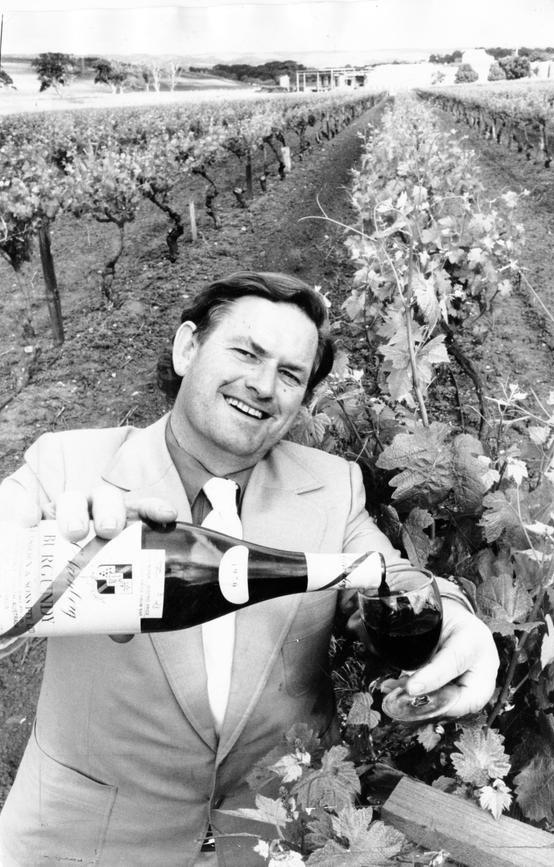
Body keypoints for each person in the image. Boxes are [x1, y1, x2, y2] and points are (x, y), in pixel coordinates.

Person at [0, 271, 498, 866]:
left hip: (273, 839)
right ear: (188, 348)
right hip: (88, 842)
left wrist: (457, 626)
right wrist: (40, 554)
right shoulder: (68, 466)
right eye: (246, 352)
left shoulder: (331, 487)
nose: (263, 385)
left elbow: (381, 577)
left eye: (290, 374)